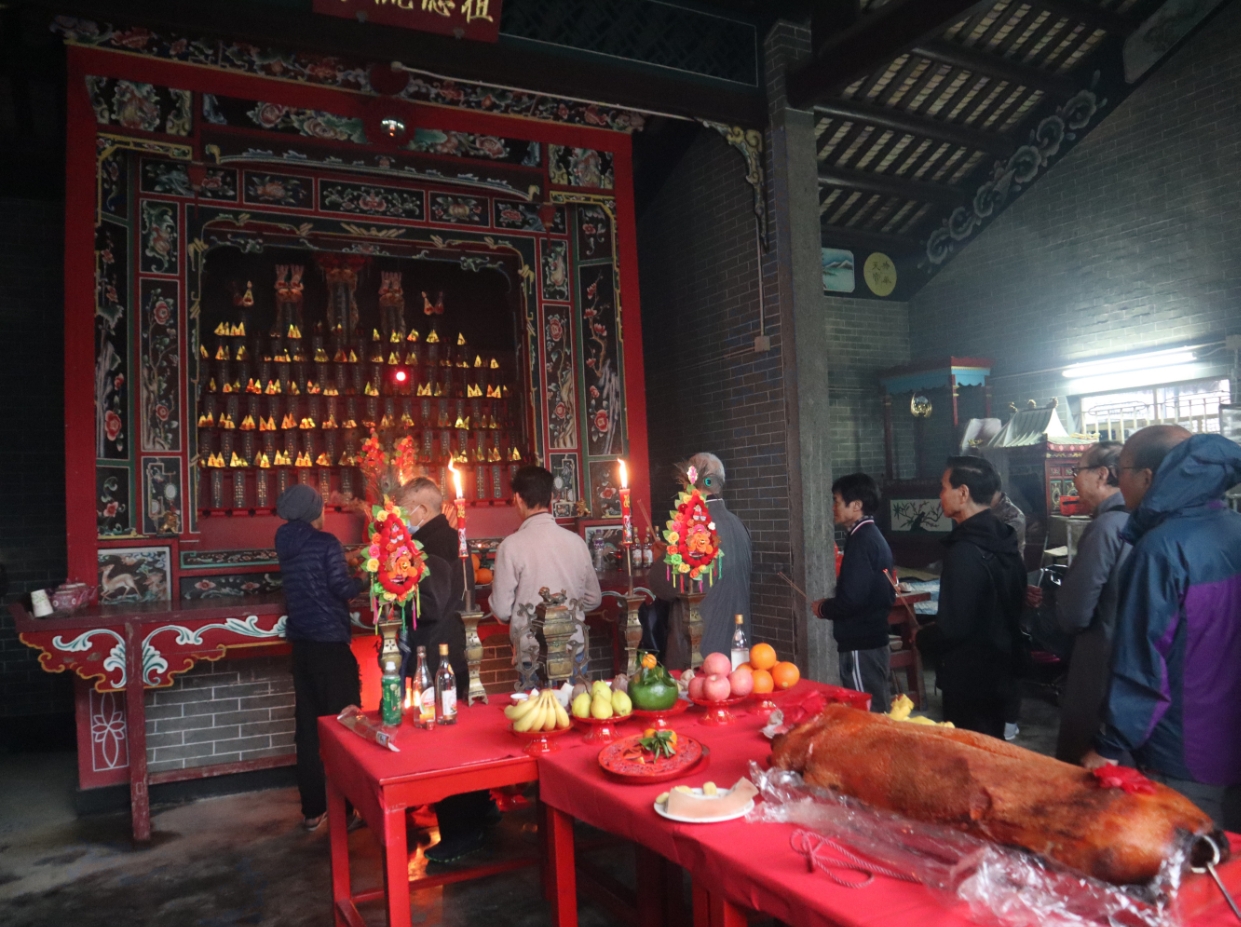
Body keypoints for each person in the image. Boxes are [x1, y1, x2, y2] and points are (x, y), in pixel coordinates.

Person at [1083, 427, 1241, 831]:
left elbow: (1142, 661)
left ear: (1149, 478)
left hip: (1183, 750)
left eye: (1122, 471)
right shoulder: (1234, 528)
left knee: (1186, 873)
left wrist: (1111, 745)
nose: (1120, 482)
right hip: (1228, 736)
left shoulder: (1161, 549)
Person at [393, 476, 494, 863]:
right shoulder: (454, 539)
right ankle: (482, 807)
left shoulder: (429, 546)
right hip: (459, 644)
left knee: (448, 740)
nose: (403, 518)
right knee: (465, 731)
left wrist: (400, 587)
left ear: (421, 509)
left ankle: (462, 830)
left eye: (405, 510)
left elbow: (432, 604)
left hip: (438, 651)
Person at [273, 484, 365, 831]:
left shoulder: (284, 541)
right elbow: (341, 589)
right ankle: (351, 809)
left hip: (303, 646)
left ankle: (313, 810)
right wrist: (363, 577)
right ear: (315, 512)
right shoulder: (326, 542)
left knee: (308, 731)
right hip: (330, 644)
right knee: (346, 723)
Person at [917, 456, 1026, 737]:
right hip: (1002, 672)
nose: (940, 495)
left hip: (970, 680)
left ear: (963, 493)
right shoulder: (1004, 537)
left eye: (943, 487)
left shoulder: (965, 550)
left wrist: (922, 637)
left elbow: (956, 627)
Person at [1039, 441, 1131, 764]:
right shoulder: (1141, 520)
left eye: (1077, 471)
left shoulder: (1107, 527)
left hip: (1101, 660)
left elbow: (1075, 614)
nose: (1074, 480)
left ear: (1102, 475)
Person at [490, 466, 602, 684]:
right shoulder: (576, 542)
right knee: (576, 712)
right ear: (551, 497)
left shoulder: (510, 546)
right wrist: (567, 614)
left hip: (531, 652)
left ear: (517, 498)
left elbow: (502, 610)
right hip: (574, 648)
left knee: (537, 717)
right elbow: (593, 599)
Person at [649, 453, 753, 667]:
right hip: (738, 646)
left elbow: (663, 585)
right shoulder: (739, 525)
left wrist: (661, 559)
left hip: (700, 651)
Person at [811, 473, 895, 712]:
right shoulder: (869, 536)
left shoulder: (862, 540)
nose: (833, 507)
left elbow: (852, 599)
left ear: (856, 505)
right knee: (873, 709)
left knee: (866, 712)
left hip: (862, 642)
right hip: (870, 639)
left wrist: (824, 607)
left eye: (837, 501)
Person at [990, 486, 1027, 740]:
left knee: (1008, 656)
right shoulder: (984, 513)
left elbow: (997, 546)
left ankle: (1009, 720)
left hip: (1009, 589)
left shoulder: (1013, 516)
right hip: (990, 590)